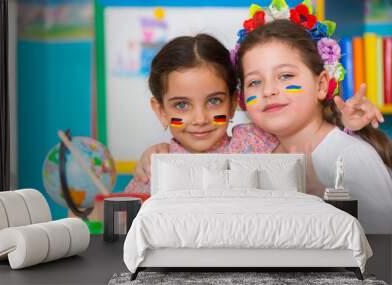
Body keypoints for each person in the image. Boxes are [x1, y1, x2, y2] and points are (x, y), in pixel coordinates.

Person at [132, 2, 392, 234]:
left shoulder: (345, 154)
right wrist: (159, 153)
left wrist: (349, 131)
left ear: (322, 84)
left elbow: (382, 245)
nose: (268, 91)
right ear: (243, 95)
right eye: (255, 81)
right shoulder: (264, 145)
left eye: (286, 76)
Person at [124, 33, 279, 194]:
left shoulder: (253, 142)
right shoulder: (153, 169)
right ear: (161, 111)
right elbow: (116, 215)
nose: (200, 119)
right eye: (182, 104)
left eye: (214, 101)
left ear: (233, 103)